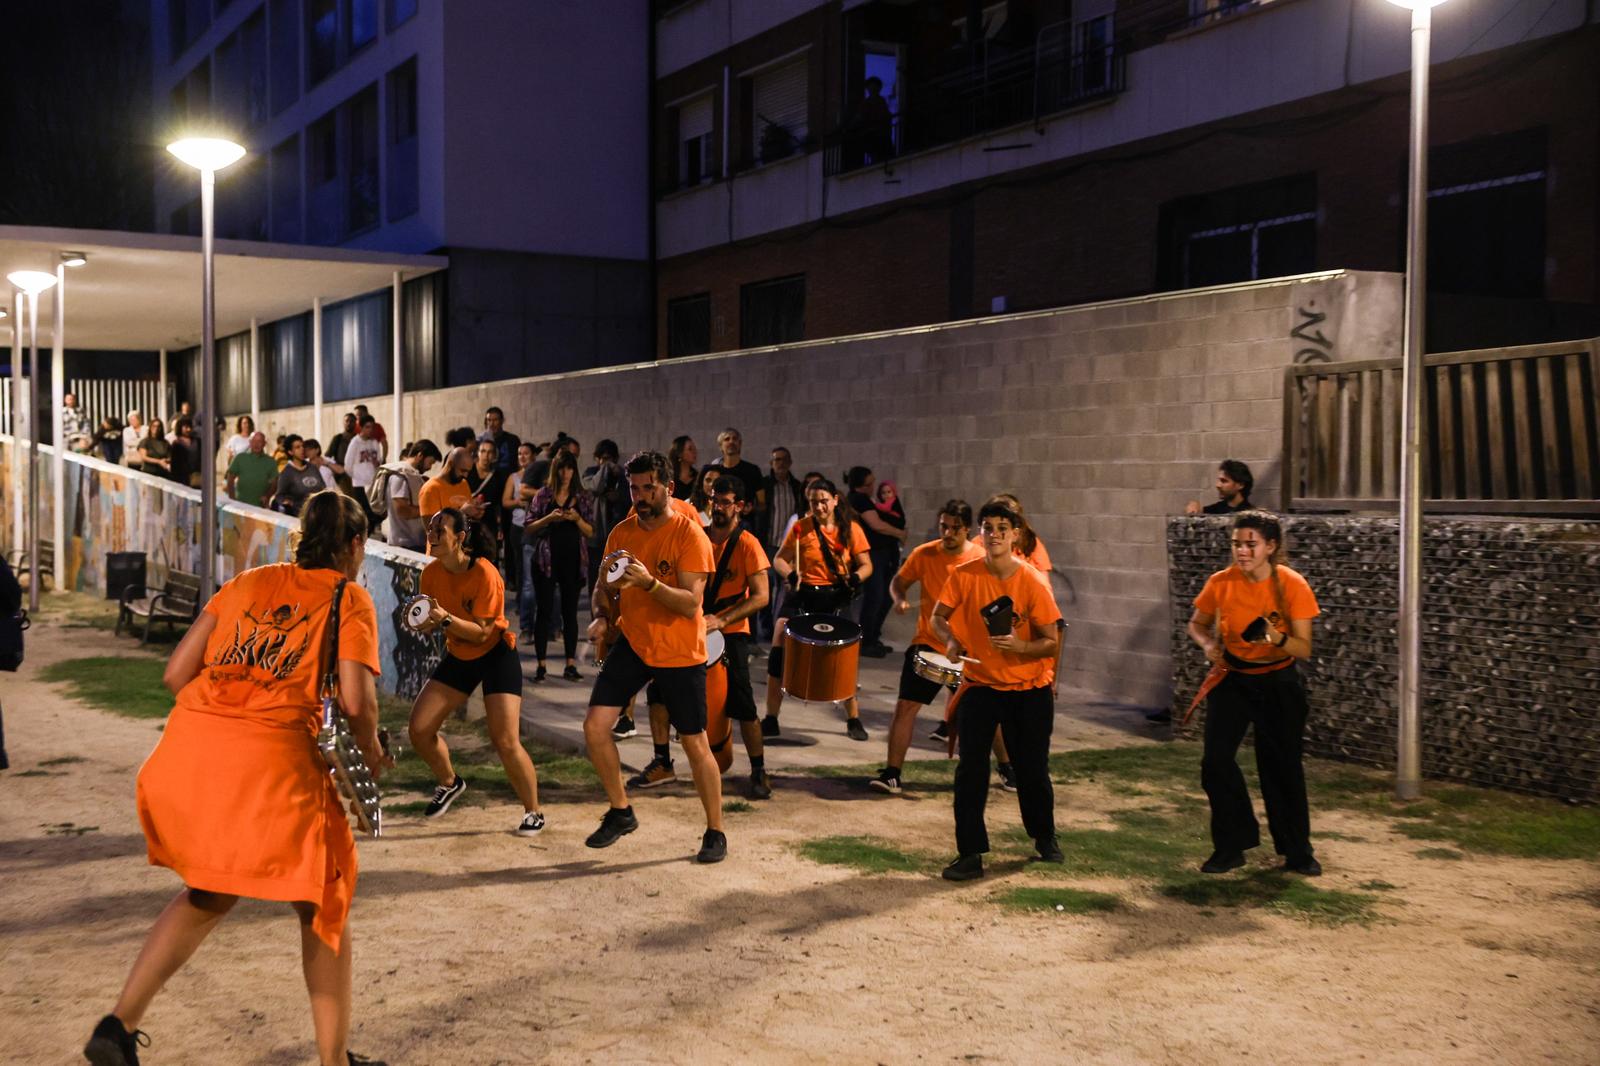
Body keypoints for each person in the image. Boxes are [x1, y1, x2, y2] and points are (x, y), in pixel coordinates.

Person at [82, 490, 389, 1066]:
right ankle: (334, 1060)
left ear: (301, 535)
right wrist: (370, 752)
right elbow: (356, 701)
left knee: (209, 889)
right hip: (271, 760)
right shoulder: (350, 599)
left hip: (191, 753)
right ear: (354, 544)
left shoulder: (248, 582)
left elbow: (177, 673)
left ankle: (117, 1026)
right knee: (324, 902)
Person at [581, 450, 725, 863]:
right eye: (635, 487)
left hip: (680, 650)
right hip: (634, 644)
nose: (641, 495)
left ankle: (715, 831)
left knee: (696, 744)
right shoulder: (622, 533)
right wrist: (602, 617)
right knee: (595, 727)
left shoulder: (689, 534)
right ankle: (621, 811)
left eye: (649, 487)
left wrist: (648, 584)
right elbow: (602, 588)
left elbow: (689, 604)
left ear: (668, 488)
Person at [933, 496, 1064, 882]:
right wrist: (951, 640)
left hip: (1029, 688)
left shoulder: (1032, 581)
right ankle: (970, 853)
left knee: (1032, 769)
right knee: (970, 770)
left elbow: (1051, 640)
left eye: (1001, 530)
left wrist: (1021, 647)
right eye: (988, 529)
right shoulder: (964, 574)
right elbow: (939, 618)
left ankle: (1044, 837)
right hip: (981, 686)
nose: (993, 536)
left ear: (1015, 536)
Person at [1186, 509, 1321, 876]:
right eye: (1236, 544)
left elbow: (1303, 648)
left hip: (1278, 681)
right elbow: (1196, 624)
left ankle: (1297, 852)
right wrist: (1208, 644)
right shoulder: (1221, 581)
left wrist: (1275, 637)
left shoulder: (1292, 584)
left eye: (1251, 544)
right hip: (1233, 678)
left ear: (1271, 546)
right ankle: (1232, 846)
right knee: (1215, 762)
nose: (1242, 551)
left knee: (1281, 767)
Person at [629, 475, 773, 799]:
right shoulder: (696, 536)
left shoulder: (748, 543)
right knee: (658, 694)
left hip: (732, 632)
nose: (718, 508)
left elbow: (762, 596)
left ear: (740, 506)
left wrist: (721, 619)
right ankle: (663, 761)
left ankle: (759, 770)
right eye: (714, 501)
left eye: (725, 502)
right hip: (690, 629)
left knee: (744, 704)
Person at [406, 508, 545, 836]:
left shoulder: (485, 574)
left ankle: (534, 812)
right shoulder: (431, 574)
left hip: (496, 654)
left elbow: (483, 632)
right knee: (419, 729)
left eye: (440, 530)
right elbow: (434, 623)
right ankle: (450, 782)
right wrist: (423, 624)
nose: (432, 535)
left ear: (461, 538)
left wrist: (444, 620)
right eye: (430, 528)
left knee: (505, 739)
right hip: (460, 655)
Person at [869, 499, 983, 794]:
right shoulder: (925, 554)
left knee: (986, 714)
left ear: (967, 529)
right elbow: (899, 581)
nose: (947, 533)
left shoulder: (980, 559)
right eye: (944, 526)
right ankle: (892, 774)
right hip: (929, 643)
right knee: (906, 706)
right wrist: (899, 598)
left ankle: (1008, 769)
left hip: (969, 650)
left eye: (955, 528)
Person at [764, 477, 873, 741]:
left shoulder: (852, 529)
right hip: (802, 593)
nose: (819, 507)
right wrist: (790, 575)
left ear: (835, 500)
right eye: (814, 502)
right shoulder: (801, 528)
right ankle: (770, 717)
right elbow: (779, 559)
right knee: (778, 646)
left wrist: (855, 578)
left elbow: (866, 565)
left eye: (824, 501)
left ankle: (853, 719)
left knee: (845, 657)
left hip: (835, 595)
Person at [523, 451, 594, 682]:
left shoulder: (581, 496)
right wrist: (549, 518)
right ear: (556, 469)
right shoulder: (544, 495)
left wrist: (576, 519)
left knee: (569, 613)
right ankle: (541, 665)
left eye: (570, 468)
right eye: (562, 468)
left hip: (573, 560)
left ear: (574, 470)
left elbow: (591, 531)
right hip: (546, 560)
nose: (565, 473)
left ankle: (570, 665)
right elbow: (529, 526)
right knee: (543, 611)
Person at [846, 466, 907, 658]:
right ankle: (866, 640)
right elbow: (876, 525)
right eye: (869, 483)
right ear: (860, 486)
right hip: (874, 554)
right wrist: (900, 533)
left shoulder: (866, 500)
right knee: (875, 596)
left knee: (884, 596)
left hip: (883, 554)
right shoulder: (859, 500)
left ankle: (873, 636)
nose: (873, 486)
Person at [581, 438, 628, 591]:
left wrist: (619, 495)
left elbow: (630, 498)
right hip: (596, 533)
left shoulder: (623, 475)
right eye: (603, 458)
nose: (606, 462)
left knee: (616, 576)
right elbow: (595, 487)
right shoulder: (591, 472)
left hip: (617, 531)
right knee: (595, 577)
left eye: (610, 459)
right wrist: (605, 468)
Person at [383, 439, 442, 552]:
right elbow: (402, 510)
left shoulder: (411, 475)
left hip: (413, 542)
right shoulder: (400, 475)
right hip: (404, 545)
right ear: (420, 455)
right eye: (430, 462)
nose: (429, 468)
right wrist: (430, 511)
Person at [507, 443, 538, 636]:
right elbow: (506, 501)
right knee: (523, 573)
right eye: (519, 453)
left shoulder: (540, 474)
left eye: (526, 453)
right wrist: (519, 501)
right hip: (519, 527)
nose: (522, 456)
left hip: (537, 529)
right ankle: (524, 616)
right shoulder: (514, 477)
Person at [702, 427, 765, 517]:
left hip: (746, 523)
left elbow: (762, 503)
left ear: (740, 444)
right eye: (727, 439)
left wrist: (752, 508)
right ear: (721, 446)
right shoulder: (715, 472)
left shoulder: (753, 470)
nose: (731, 442)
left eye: (735, 439)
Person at [419, 447, 484, 524]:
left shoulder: (463, 483)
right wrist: (461, 513)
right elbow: (432, 528)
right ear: (450, 464)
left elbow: (467, 519)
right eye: (463, 470)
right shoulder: (430, 489)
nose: (466, 475)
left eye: (468, 471)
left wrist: (475, 513)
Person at [271, 435, 327, 517]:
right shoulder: (287, 473)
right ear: (290, 452)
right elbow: (279, 496)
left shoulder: (312, 468)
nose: (302, 449)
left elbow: (323, 488)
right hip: (300, 518)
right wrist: (287, 503)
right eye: (297, 447)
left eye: (302, 446)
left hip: (319, 516)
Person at [342, 417, 384, 523]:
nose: (370, 430)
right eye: (367, 427)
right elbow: (348, 464)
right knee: (364, 514)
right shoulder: (355, 442)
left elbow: (379, 460)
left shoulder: (374, 442)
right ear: (361, 428)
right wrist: (357, 476)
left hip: (372, 483)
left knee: (376, 512)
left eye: (372, 427)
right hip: (359, 484)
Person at [225, 432, 278, 508]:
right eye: (254, 441)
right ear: (250, 442)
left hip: (260, 507)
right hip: (240, 505)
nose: (256, 444)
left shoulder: (271, 462)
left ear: (264, 444)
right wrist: (232, 499)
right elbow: (230, 479)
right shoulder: (240, 458)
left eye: (259, 441)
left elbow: (274, 484)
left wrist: (267, 496)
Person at [1186, 459, 1255, 515]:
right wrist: (1194, 504)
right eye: (1219, 480)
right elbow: (1199, 509)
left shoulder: (1251, 515)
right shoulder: (1216, 509)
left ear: (1241, 485)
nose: (1218, 485)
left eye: (1224, 481)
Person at [326, 413, 358, 493]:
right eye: (347, 421)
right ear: (343, 422)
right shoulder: (338, 438)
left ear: (355, 423)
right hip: (342, 475)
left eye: (351, 421)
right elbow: (328, 456)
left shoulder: (358, 439)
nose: (349, 423)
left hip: (357, 475)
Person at [667, 435, 698, 501]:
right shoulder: (670, 477)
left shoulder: (697, 477)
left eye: (694, 448)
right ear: (679, 453)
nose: (695, 452)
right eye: (690, 449)